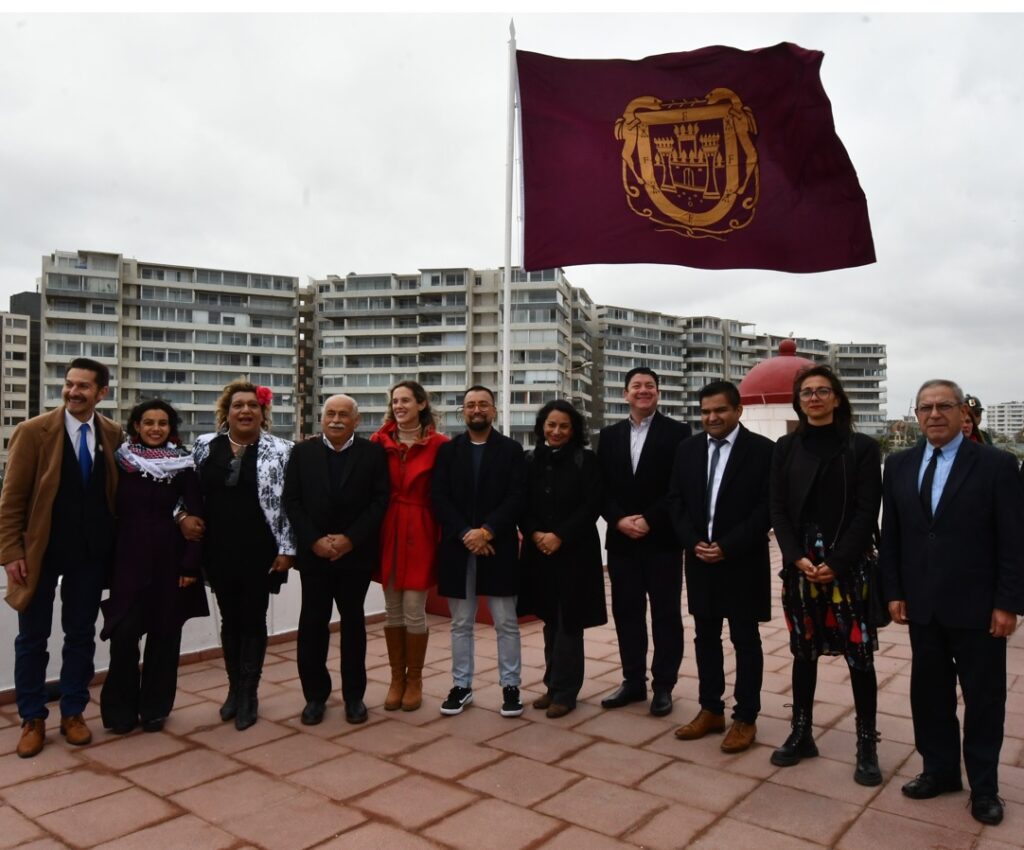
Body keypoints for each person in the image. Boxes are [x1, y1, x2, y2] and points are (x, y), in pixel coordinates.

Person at [881, 379, 1023, 826]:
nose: (935, 414)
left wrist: (1008, 603)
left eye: (945, 406)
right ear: (917, 414)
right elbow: (894, 536)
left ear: (964, 413)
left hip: (979, 608)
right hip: (922, 606)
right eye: (926, 407)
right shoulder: (899, 465)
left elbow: (1013, 540)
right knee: (929, 695)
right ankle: (939, 771)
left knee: (983, 700)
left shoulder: (997, 465)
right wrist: (894, 591)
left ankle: (984, 787)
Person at [2, 358, 122, 758]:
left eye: (83, 386)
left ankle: (73, 711)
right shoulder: (33, 431)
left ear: (101, 392)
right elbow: (12, 499)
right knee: (32, 638)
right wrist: (11, 552)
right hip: (39, 554)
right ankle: (32, 718)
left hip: (89, 557)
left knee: (81, 635)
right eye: (69, 384)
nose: (73, 391)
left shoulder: (112, 433)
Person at [769, 365, 883, 786]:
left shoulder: (863, 448)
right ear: (798, 401)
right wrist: (796, 557)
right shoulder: (785, 447)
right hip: (800, 566)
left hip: (847, 566)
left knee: (860, 656)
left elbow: (866, 510)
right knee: (805, 651)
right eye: (806, 393)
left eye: (822, 391)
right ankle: (801, 732)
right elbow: (777, 508)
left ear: (837, 398)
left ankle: (867, 743)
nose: (814, 398)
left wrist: (837, 560)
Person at [668, 380, 773, 752]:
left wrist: (727, 546)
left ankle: (746, 718)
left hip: (742, 561)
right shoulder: (687, 450)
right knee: (705, 637)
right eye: (705, 411)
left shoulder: (763, 451)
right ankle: (710, 709)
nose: (712, 417)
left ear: (738, 410)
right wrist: (691, 541)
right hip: (699, 560)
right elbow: (675, 501)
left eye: (720, 410)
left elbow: (767, 509)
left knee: (745, 639)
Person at [189, 380, 295, 730]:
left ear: (263, 412)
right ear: (227, 411)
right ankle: (234, 690)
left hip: (261, 551)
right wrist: (181, 518)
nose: (245, 410)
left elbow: (291, 505)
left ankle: (249, 693)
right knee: (229, 619)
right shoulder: (204, 446)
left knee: (253, 618)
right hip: (217, 549)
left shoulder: (282, 450)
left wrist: (287, 548)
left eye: (253, 405)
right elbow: (186, 492)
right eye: (238, 405)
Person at [99, 399, 208, 734]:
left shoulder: (184, 465)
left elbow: (197, 515)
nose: (155, 429)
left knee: (164, 640)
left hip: (169, 566)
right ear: (136, 426)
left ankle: (155, 709)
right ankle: (120, 713)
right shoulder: (119, 462)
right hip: (127, 566)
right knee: (123, 638)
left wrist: (190, 565)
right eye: (148, 422)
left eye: (162, 423)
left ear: (170, 428)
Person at [284, 394, 389, 725]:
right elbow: (293, 500)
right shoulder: (302, 452)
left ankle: (354, 696)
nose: (336, 419)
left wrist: (350, 539)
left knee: (354, 626)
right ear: (322, 418)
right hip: (315, 556)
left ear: (356, 421)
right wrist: (314, 540)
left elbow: (379, 501)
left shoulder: (373, 454)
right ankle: (315, 696)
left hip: (354, 556)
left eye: (344, 414)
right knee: (312, 626)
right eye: (330, 413)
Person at [597, 367, 690, 716]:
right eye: (636, 386)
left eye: (649, 386)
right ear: (625, 394)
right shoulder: (608, 435)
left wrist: (649, 519)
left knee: (666, 615)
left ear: (658, 393)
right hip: (622, 541)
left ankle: (664, 685)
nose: (643, 390)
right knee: (627, 613)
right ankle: (632, 681)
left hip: (662, 539)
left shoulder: (679, 433)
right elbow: (600, 488)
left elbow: (678, 486)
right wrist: (618, 520)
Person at [432, 386, 525, 717]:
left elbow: (516, 497)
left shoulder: (512, 450)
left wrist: (486, 531)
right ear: (463, 412)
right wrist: (466, 533)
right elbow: (439, 497)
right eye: (470, 405)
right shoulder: (448, 451)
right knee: (460, 623)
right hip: (458, 548)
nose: (476, 410)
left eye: (483, 404)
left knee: (506, 622)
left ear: (494, 411)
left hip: (496, 547)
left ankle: (511, 687)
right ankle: (461, 686)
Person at [518, 400, 606, 718]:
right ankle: (552, 685)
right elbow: (522, 504)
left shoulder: (587, 460)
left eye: (564, 426)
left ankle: (566, 693)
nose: (556, 431)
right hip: (540, 553)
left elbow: (591, 505)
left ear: (574, 430)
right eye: (551, 425)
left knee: (570, 621)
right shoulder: (530, 460)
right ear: (542, 426)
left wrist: (560, 536)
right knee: (549, 620)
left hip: (575, 553)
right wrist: (536, 534)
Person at [370, 381, 449, 712]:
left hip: (421, 526)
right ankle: (395, 679)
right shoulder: (378, 442)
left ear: (421, 404)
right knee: (392, 608)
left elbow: (448, 491)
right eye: (395, 401)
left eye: (406, 400)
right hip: (388, 528)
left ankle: (414, 678)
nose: (399, 405)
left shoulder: (441, 445)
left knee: (415, 607)